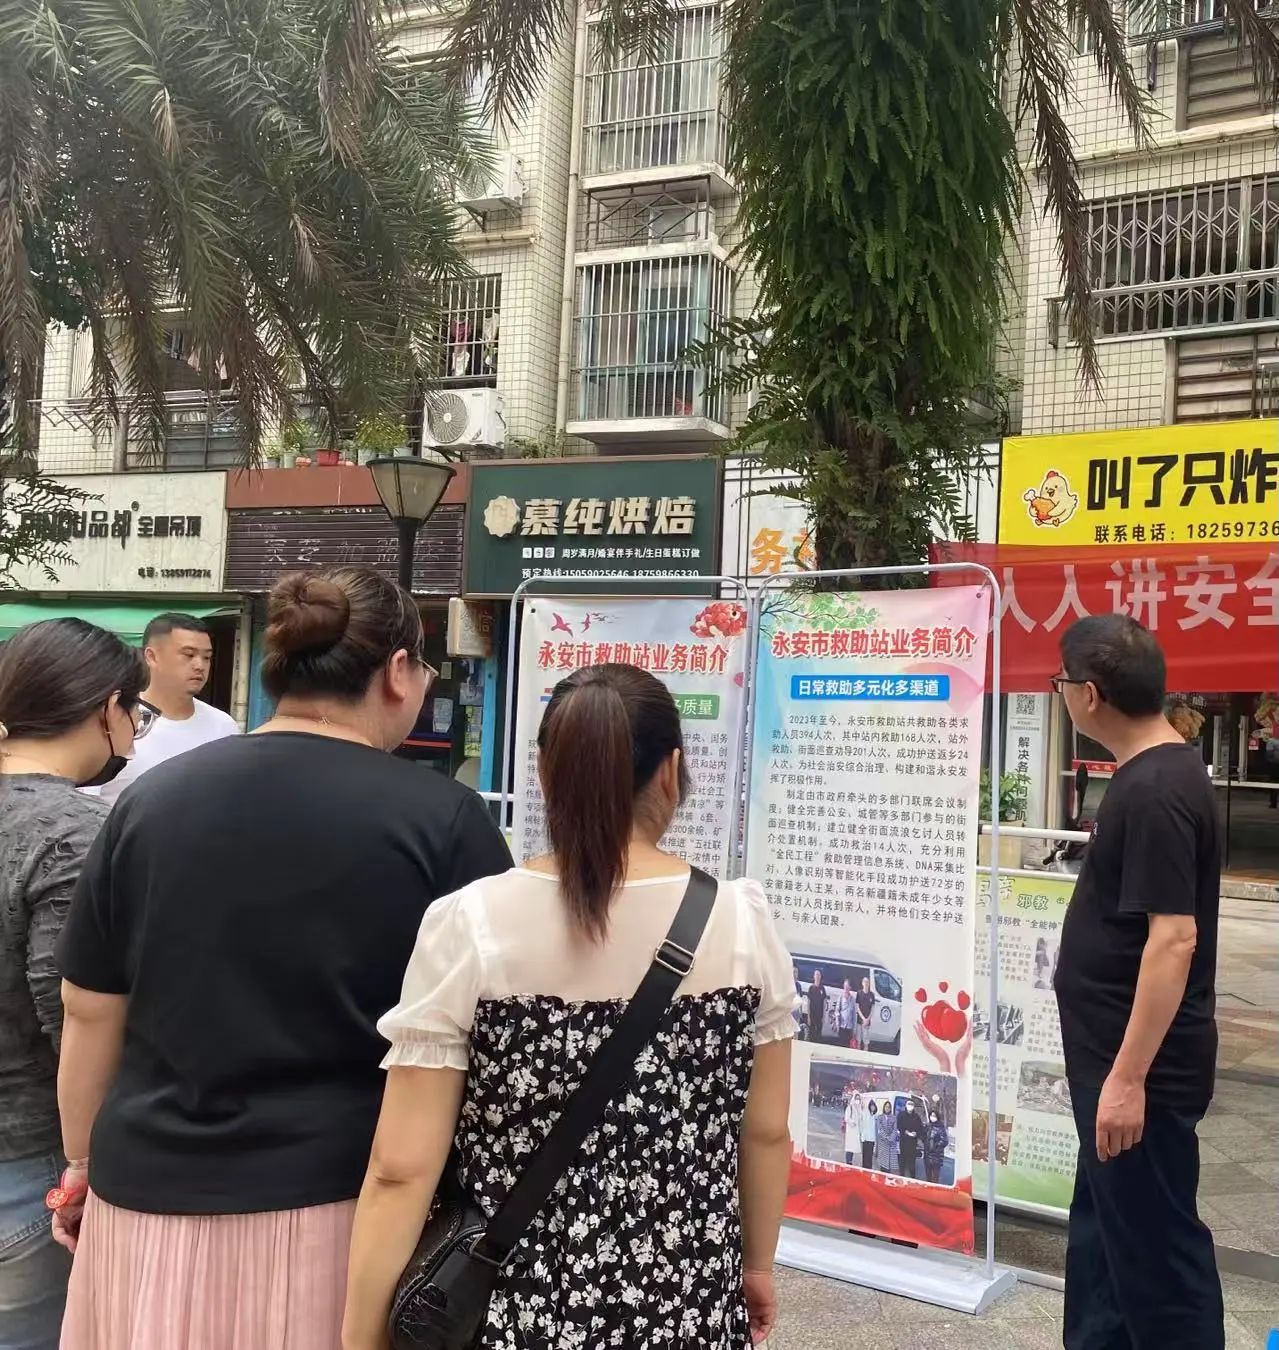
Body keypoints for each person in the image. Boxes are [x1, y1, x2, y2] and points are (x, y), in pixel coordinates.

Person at [53, 568, 512, 1350]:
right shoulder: (444, 819)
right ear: (398, 670)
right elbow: (495, 1026)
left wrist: (81, 1163)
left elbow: (90, 1005)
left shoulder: (150, 802)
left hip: (145, 1199)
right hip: (343, 1211)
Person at [341, 663, 795, 1350]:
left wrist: (361, 1335)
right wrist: (756, 1266)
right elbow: (764, 1132)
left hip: (515, 1311)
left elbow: (401, 1168)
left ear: (546, 774)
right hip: (688, 1300)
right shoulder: (741, 921)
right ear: (672, 771)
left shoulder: (470, 923)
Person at [1053, 614, 1224, 1349]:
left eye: (1060, 683)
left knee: (1157, 1257)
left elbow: (1173, 938)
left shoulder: (1155, 788)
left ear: (1089, 694)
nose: (1061, 694)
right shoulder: (1155, 775)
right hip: (1115, 1063)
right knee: (1106, 1242)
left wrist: (1126, 1080)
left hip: (1139, 1073)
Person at [0, 619, 145, 1350]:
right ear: (107, 707)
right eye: (136, 714)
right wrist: (91, 1157)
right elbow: (75, 1014)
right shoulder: (77, 832)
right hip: (30, 1164)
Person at [88, 613, 237, 805]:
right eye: (189, 655)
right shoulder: (115, 719)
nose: (200, 665)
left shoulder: (224, 726)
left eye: (207, 657)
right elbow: (84, 800)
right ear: (151, 657)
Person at [896, 1099, 923, 1180]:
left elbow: (920, 1128)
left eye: (912, 1104)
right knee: (902, 1161)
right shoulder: (901, 1115)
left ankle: (912, 1179)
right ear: (906, 1105)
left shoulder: (916, 1117)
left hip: (912, 1143)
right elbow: (899, 1125)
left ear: (914, 1106)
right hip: (903, 1141)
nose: (910, 1106)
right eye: (909, 1104)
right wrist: (905, 1131)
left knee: (912, 1163)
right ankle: (901, 1178)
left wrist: (916, 1133)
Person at [924, 1111, 949, 1185]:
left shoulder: (940, 1127)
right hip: (927, 1156)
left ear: (937, 1117)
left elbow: (945, 1141)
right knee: (928, 1178)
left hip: (936, 1157)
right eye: (931, 1115)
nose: (932, 1117)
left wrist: (936, 1145)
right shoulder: (928, 1126)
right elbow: (924, 1137)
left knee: (935, 1179)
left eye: (934, 1116)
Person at [873, 1097, 897, 1173]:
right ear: (884, 1107)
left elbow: (895, 1129)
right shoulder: (880, 1117)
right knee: (882, 1163)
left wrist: (891, 1138)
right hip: (882, 1142)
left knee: (889, 1164)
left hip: (891, 1143)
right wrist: (886, 1137)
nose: (887, 1108)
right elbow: (879, 1129)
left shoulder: (894, 1117)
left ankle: (888, 1177)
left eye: (889, 1107)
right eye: (886, 1107)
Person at [806, 969, 828, 1045]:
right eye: (816, 975)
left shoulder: (822, 988)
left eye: (819, 975)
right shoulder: (811, 988)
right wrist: (808, 1017)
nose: (817, 976)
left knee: (819, 1036)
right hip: (812, 1015)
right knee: (811, 1035)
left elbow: (824, 1003)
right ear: (814, 976)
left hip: (820, 1016)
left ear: (820, 977)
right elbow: (808, 1003)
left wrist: (824, 1017)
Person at [855, 975, 876, 1051]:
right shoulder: (859, 993)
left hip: (867, 1021)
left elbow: (872, 1009)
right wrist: (863, 1019)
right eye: (865, 982)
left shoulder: (872, 995)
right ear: (862, 983)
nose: (866, 983)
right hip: (859, 1020)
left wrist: (867, 1019)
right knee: (858, 1041)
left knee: (866, 1042)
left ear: (869, 983)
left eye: (867, 982)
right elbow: (857, 1007)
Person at [843, 1089, 863, 1165]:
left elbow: (861, 1119)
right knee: (849, 1147)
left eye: (858, 1099)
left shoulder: (859, 1108)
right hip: (851, 1130)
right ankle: (848, 1161)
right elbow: (846, 1118)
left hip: (856, 1131)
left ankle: (850, 1161)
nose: (857, 1100)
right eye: (856, 1098)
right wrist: (852, 1122)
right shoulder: (850, 1107)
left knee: (853, 1147)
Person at [838, 978, 858, 1047]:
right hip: (841, 1026)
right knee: (841, 1046)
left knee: (847, 1046)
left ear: (850, 987)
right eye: (845, 986)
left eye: (847, 986)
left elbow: (854, 1015)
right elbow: (837, 1011)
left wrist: (854, 1029)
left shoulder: (853, 999)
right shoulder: (840, 997)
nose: (846, 988)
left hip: (849, 1027)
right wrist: (837, 1023)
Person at [860, 1098, 878, 1169]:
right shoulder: (866, 1114)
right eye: (871, 1106)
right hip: (865, 1138)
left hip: (872, 1139)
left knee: (870, 1156)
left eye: (873, 1106)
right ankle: (864, 1168)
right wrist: (862, 1137)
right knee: (864, 1155)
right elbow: (863, 1125)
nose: (872, 1107)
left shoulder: (876, 1116)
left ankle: (869, 1169)